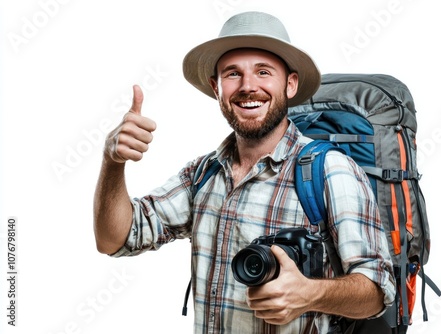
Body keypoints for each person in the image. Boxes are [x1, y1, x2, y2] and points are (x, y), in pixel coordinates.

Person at [93, 11, 396, 334]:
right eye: (232, 74)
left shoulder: (330, 170)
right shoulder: (203, 174)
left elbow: (378, 291)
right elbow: (115, 239)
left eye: (263, 72)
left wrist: (311, 294)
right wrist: (113, 162)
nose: (248, 86)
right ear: (216, 87)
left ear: (290, 84)